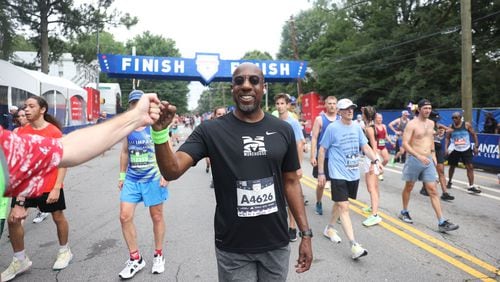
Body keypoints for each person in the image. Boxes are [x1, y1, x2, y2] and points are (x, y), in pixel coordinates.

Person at [153, 63, 312, 281]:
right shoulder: (211, 130)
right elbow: (172, 171)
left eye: (254, 81)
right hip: (233, 248)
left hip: (276, 244)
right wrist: (160, 134)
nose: (246, 86)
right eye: (239, 81)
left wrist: (306, 234)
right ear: (232, 88)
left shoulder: (282, 129)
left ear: (263, 87)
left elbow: (292, 182)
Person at [3, 96, 72, 282]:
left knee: (58, 217)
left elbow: (63, 162)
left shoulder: (53, 132)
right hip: (26, 186)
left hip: (49, 185)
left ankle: (65, 251)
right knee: (13, 220)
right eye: (25, 106)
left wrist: (57, 187)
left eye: (31, 106)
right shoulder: (21, 132)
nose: (26, 109)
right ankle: (20, 260)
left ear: (42, 110)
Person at [318, 98, 383, 260]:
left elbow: (365, 146)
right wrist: (321, 172)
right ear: (339, 112)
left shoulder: (356, 127)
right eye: (346, 109)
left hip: (353, 173)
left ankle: (329, 228)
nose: (350, 111)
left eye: (352, 108)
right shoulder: (332, 128)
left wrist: (375, 160)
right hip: (338, 173)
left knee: (340, 203)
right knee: (344, 207)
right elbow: (322, 150)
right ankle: (354, 245)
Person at [116, 90, 169, 279]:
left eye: (140, 103)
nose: (137, 106)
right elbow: (124, 152)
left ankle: (158, 254)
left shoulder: (155, 126)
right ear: (130, 106)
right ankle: (135, 258)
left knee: (156, 216)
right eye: (133, 103)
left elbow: (167, 149)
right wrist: (122, 176)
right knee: (124, 216)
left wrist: (166, 174)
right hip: (132, 179)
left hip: (154, 178)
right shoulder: (128, 128)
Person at [398, 99, 459, 233]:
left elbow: (429, 139)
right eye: (425, 108)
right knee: (409, 186)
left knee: (433, 189)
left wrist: (433, 155)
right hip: (414, 159)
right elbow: (405, 144)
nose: (428, 110)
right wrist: (418, 156)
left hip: (428, 160)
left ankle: (441, 221)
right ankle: (404, 211)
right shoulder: (411, 124)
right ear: (419, 109)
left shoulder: (431, 123)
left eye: (430, 108)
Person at [274, 93, 306, 242]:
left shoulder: (293, 123)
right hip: (277, 164)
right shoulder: (274, 122)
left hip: (290, 164)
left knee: (291, 195)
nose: (280, 106)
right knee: (278, 195)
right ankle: (280, 225)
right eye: (278, 103)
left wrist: (297, 166)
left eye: (282, 103)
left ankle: (292, 227)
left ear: (287, 105)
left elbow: (300, 143)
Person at [310, 96, 338, 216]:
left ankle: (338, 208)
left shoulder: (340, 119)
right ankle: (319, 202)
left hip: (337, 158)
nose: (332, 106)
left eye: (334, 103)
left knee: (338, 184)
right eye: (330, 103)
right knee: (321, 183)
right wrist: (312, 156)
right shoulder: (320, 119)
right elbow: (314, 138)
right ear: (325, 105)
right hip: (323, 157)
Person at [419, 111, 454, 201]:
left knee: (441, 171)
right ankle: (424, 188)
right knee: (427, 169)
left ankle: (445, 193)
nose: (435, 121)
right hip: (428, 148)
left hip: (438, 149)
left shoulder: (438, 125)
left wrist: (445, 130)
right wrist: (437, 133)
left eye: (436, 119)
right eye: (434, 119)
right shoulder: (424, 125)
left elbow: (450, 130)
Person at [445, 111, 481, 193]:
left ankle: (471, 185)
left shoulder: (466, 125)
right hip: (455, 149)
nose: (454, 119)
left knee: (470, 166)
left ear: (460, 118)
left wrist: (476, 146)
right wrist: (446, 148)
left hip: (466, 148)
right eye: (453, 118)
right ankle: (450, 181)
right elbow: (447, 138)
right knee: (452, 166)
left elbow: (474, 135)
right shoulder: (451, 127)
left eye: (456, 118)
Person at [360, 106, 383, 227]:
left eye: (362, 113)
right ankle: (373, 207)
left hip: (371, 158)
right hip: (373, 157)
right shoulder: (372, 126)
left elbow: (373, 144)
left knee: (371, 188)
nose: (361, 114)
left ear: (366, 115)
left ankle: (374, 215)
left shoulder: (369, 128)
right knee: (375, 186)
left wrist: (373, 163)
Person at [206, 106, 227, 188]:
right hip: (214, 151)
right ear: (214, 115)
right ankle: (214, 179)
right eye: (219, 114)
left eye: (223, 114)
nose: (221, 115)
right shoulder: (210, 127)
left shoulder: (231, 126)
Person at [373, 113, 394, 181]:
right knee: (377, 161)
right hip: (376, 146)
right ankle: (378, 173)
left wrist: (391, 142)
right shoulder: (373, 126)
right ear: (375, 118)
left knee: (386, 159)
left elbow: (386, 135)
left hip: (382, 145)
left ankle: (379, 171)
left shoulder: (384, 126)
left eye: (381, 118)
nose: (380, 119)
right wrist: (374, 147)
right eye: (379, 118)